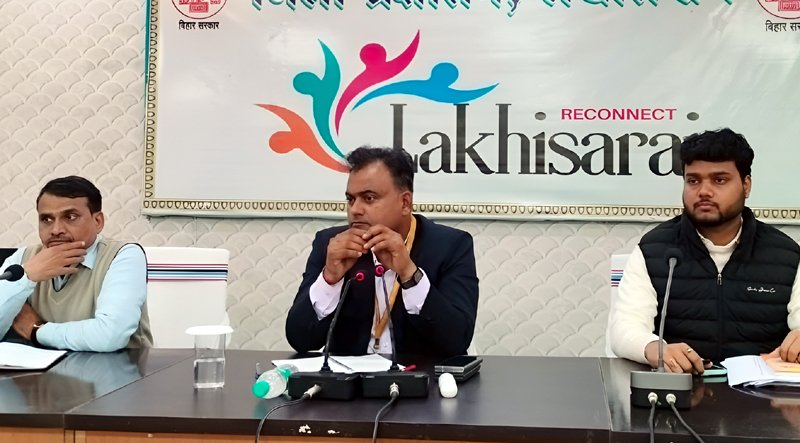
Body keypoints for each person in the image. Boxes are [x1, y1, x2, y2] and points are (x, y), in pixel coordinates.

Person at [609, 128, 800, 373]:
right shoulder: (656, 250)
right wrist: (655, 348)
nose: (703, 191)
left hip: (762, 391)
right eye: (693, 180)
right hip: (678, 387)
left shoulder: (786, 255)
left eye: (719, 180)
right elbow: (624, 328)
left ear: (746, 185)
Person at [285, 146, 479, 357]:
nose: (355, 210)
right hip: (350, 376)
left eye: (369, 198)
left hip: (420, 375)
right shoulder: (331, 245)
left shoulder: (450, 246)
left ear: (405, 203)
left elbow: (457, 340)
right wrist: (329, 279)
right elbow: (299, 339)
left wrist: (409, 274)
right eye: (351, 199)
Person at [0, 176, 152, 351]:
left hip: (120, 366)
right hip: (42, 368)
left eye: (70, 217)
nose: (56, 230)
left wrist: (37, 330)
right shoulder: (24, 259)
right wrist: (27, 277)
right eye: (47, 219)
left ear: (98, 221)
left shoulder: (123, 255)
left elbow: (109, 336)